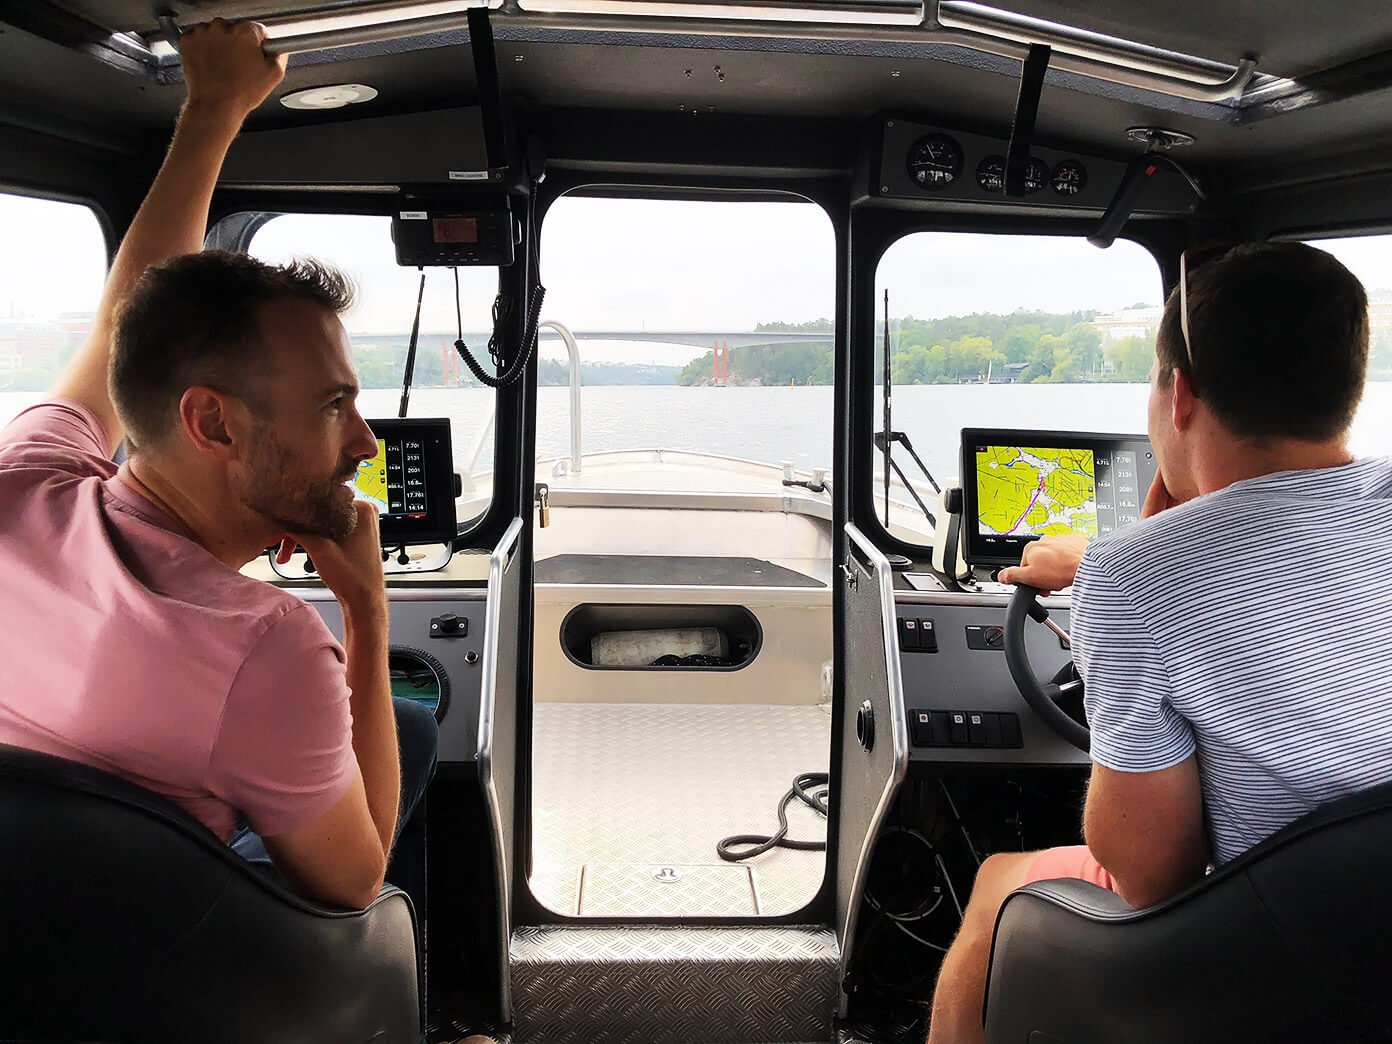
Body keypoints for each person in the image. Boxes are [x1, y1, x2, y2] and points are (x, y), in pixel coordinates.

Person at [0, 20, 436, 911]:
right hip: (160, 949)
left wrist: (213, 110)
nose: (364, 443)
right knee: (411, 739)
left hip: (40, 911)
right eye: (331, 406)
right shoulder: (266, 649)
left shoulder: (24, 478)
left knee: (411, 728)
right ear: (213, 424)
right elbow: (353, 884)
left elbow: (122, 326)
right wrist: (364, 609)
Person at [926, 240, 1392, 1043]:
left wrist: (1120, 562)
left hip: (1267, 956)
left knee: (997, 885)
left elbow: (1152, 875)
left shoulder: (1132, 579)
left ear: (1180, 396)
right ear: (1348, 381)